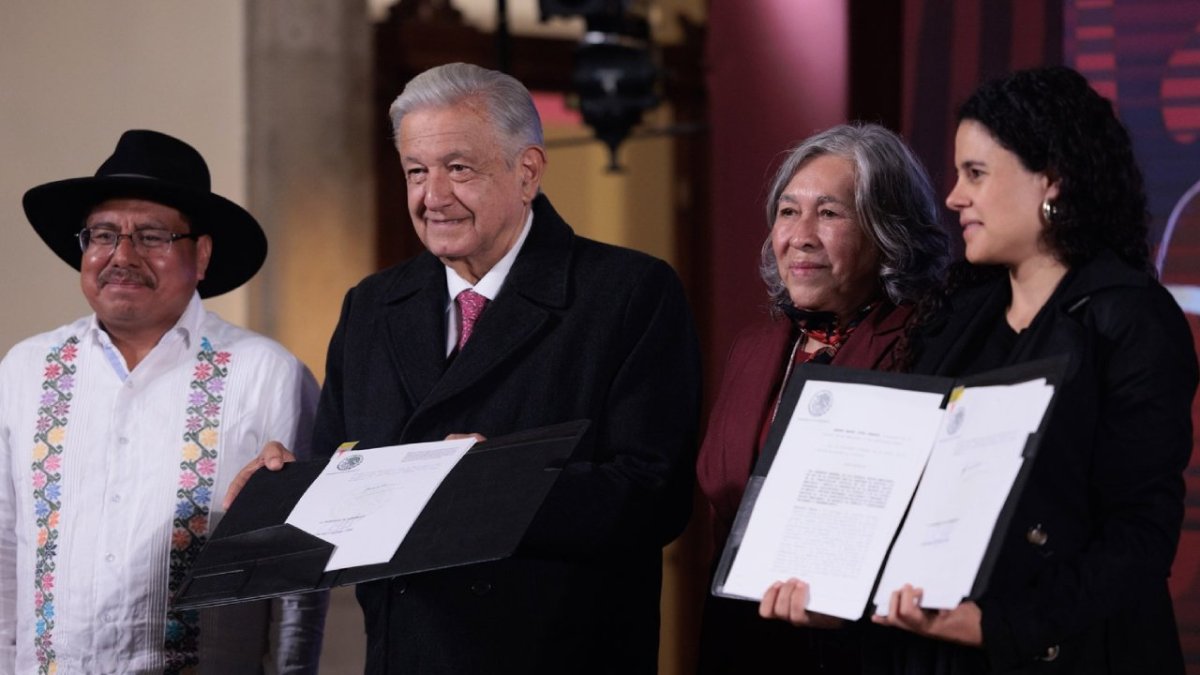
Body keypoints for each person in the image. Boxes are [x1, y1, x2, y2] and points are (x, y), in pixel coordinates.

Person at [229, 62, 702, 674]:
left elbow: (654, 497)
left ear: (527, 171)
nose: (433, 197)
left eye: (459, 169)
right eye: (416, 173)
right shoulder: (372, 305)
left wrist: (501, 485)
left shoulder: (628, 293)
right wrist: (284, 491)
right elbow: (345, 476)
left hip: (557, 655)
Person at [858, 66, 1197, 673]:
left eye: (976, 174)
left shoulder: (1131, 319)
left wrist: (1006, 625)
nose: (954, 197)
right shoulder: (957, 320)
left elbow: (1140, 533)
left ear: (1053, 181)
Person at [0, 130, 326, 674]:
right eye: (103, 234)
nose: (121, 256)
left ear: (201, 255)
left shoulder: (268, 374)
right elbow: (5, 546)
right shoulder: (25, 369)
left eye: (152, 236)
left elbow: (299, 568)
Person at [696, 123, 950, 673]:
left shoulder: (929, 344)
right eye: (789, 212)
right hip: (743, 640)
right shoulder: (753, 349)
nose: (800, 235)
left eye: (830, 213)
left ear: (888, 231)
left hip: (863, 646)